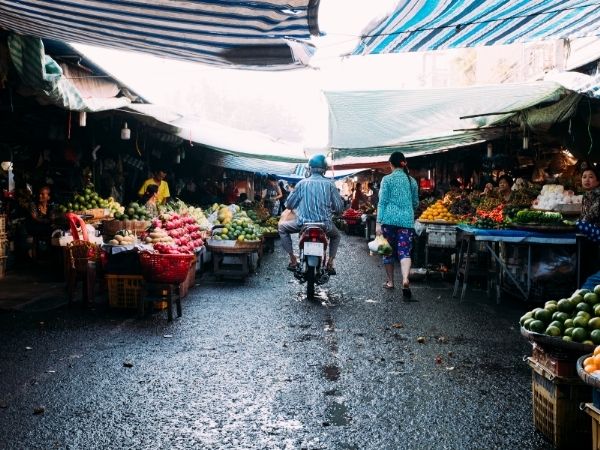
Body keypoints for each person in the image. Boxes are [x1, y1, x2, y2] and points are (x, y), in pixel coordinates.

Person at [278, 154, 344, 274]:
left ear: (309, 168)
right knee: (336, 236)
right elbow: (339, 207)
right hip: (325, 225)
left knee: (282, 228)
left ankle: (293, 259)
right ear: (324, 169)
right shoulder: (330, 184)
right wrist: (336, 212)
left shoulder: (301, 184)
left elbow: (289, 205)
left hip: (303, 224)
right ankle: (330, 262)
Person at [376, 151, 419, 300]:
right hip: (406, 222)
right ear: (403, 163)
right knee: (404, 252)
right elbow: (415, 203)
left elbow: (382, 203)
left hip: (388, 220)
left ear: (391, 164)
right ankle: (405, 279)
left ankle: (390, 282)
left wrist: (378, 223)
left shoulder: (386, 180)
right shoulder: (412, 181)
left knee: (387, 251)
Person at [576, 166, 600, 289]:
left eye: (591, 177)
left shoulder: (598, 194)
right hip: (592, 234)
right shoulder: (586, 195)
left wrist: (580, 223)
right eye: (584, 177)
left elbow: (592, 214)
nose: (587, 180)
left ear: (598, 181)